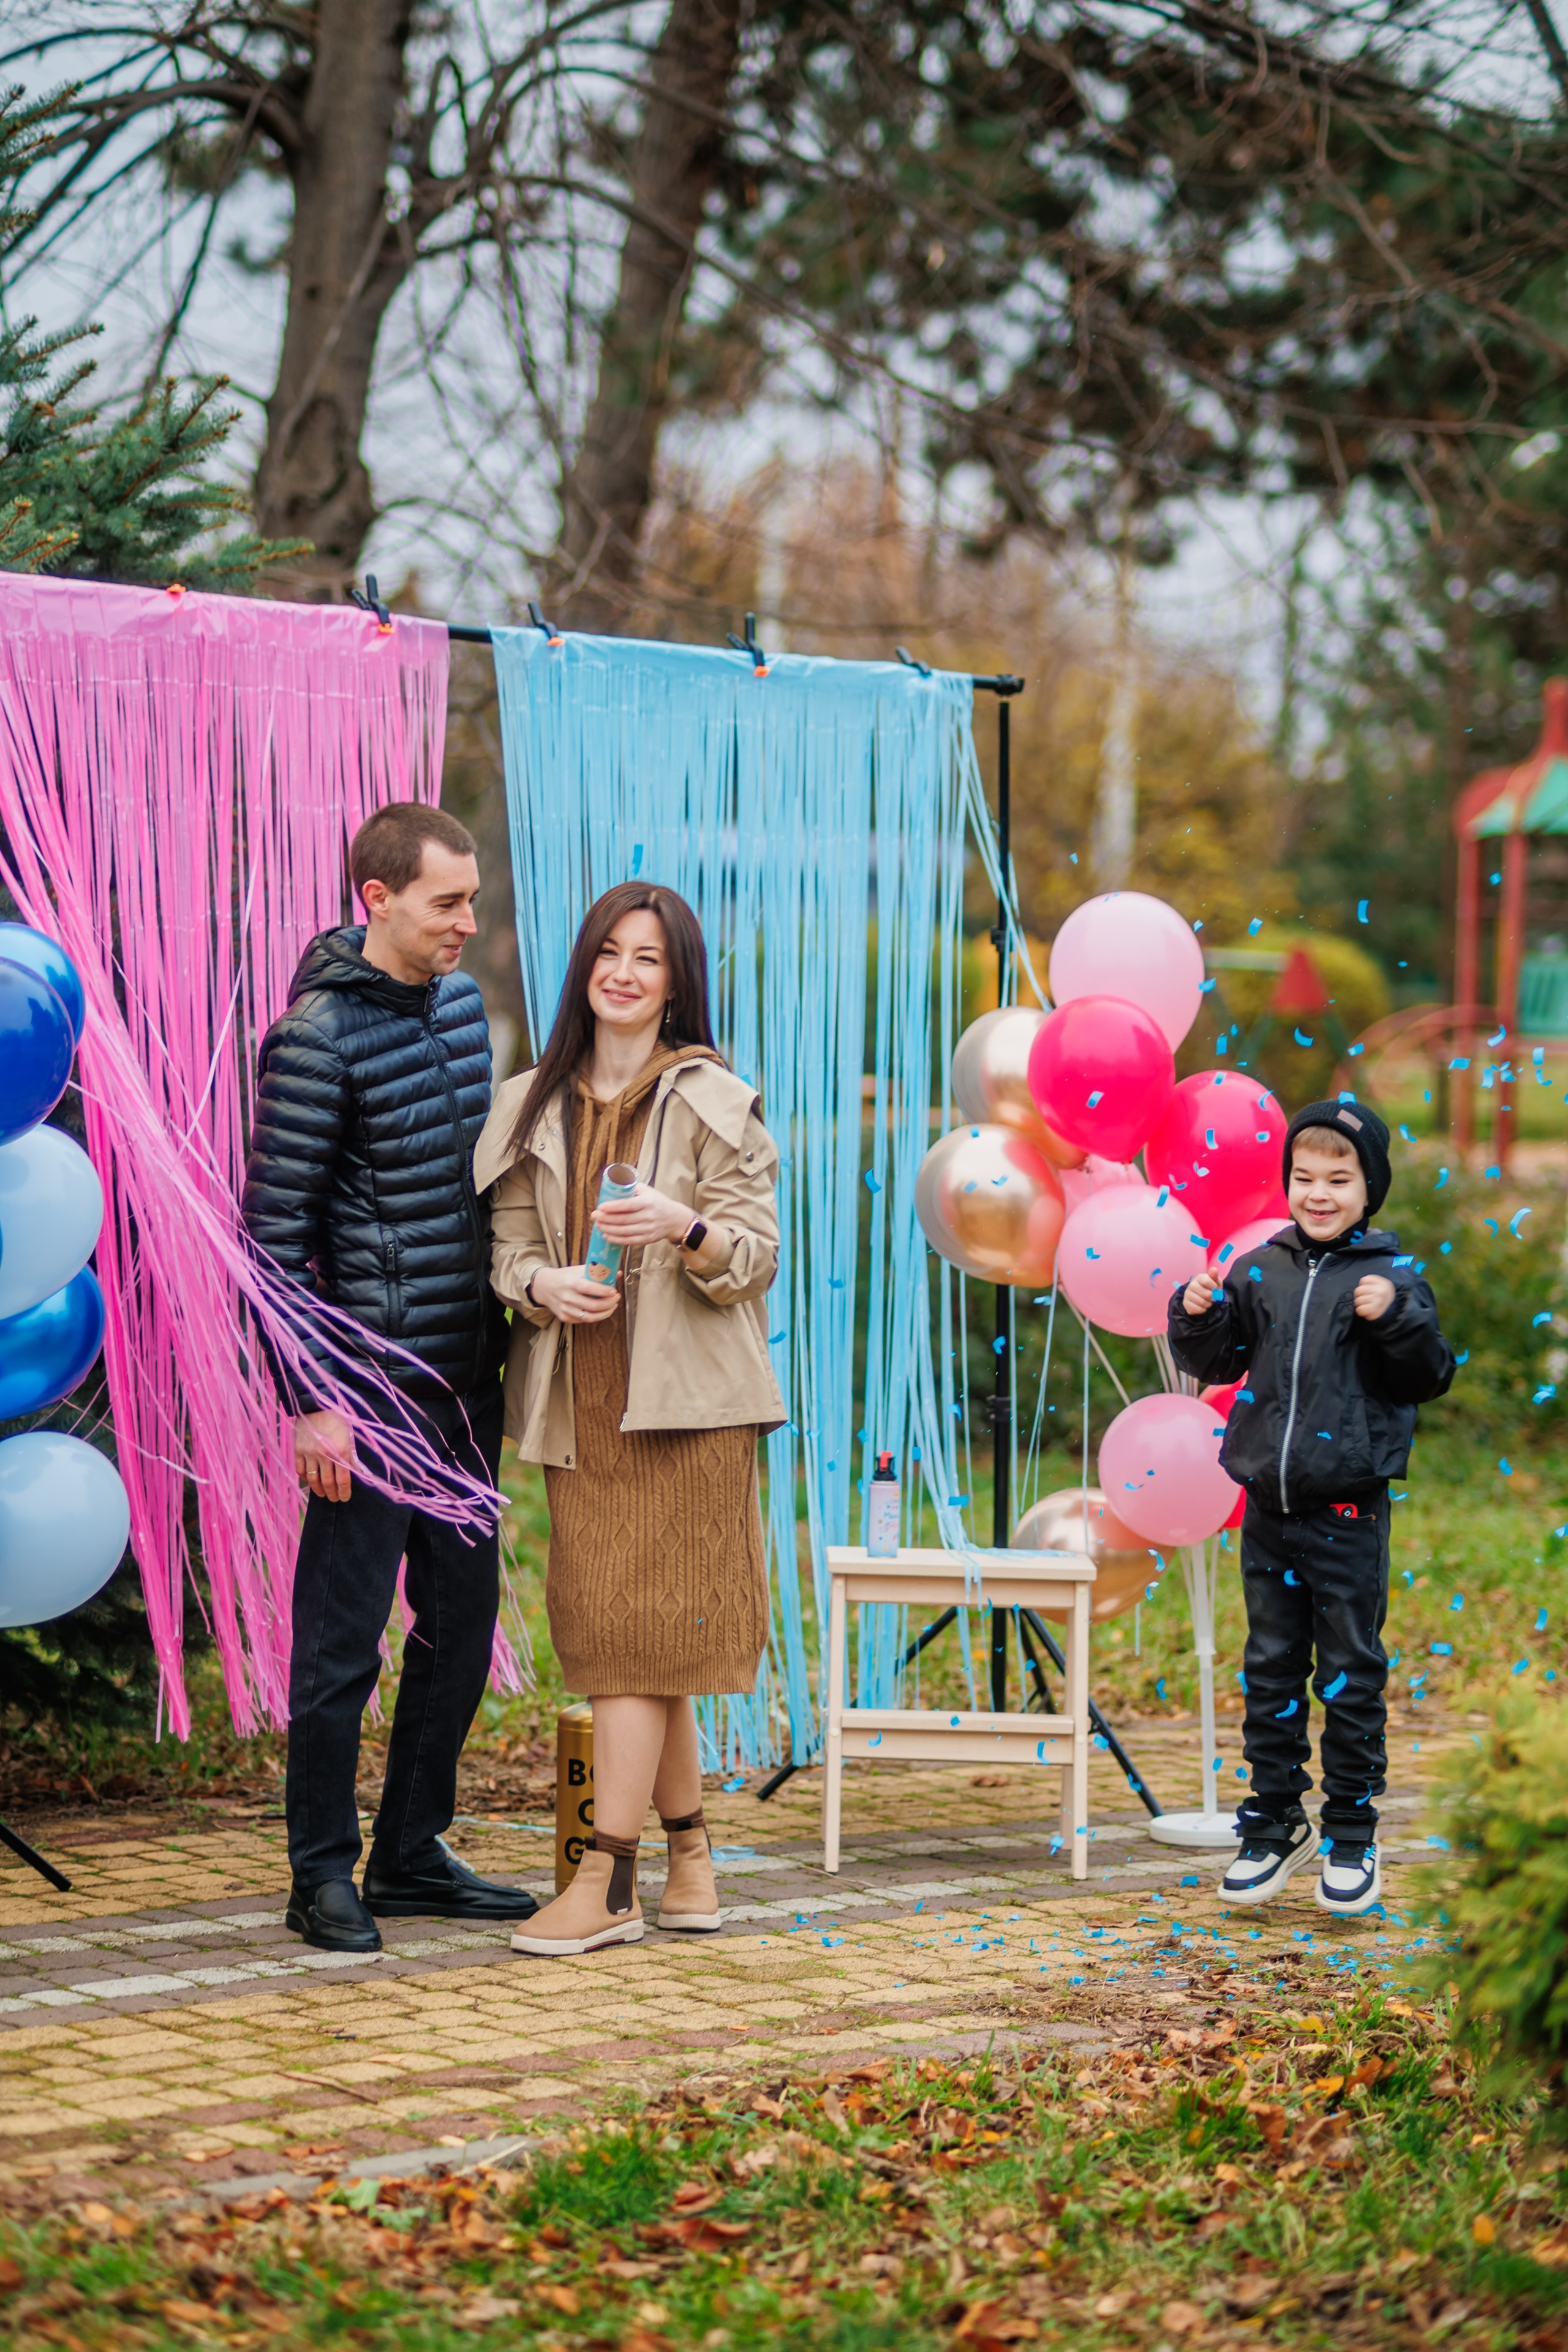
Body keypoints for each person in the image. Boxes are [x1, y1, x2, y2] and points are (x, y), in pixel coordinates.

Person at [241, 802, 537, 1953]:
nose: (468, 921)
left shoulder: (464, 1011)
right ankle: (319, 1874)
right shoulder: (314, 1038)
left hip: (467, 1384)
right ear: (378, 900)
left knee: (459, 1634)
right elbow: (271, 1240)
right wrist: (310, 1399)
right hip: (362, 1400)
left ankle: (411, 1853)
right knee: (341, 1646)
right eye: (446, 903)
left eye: (470, 898)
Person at [474, 881, 785, 1958]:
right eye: (609, 952)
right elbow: (505, 1249)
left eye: (648, 958)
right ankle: (691, 1864)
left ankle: (605, 1885)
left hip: (690, 1413)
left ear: (675, 980)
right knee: (633, 1645)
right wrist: (538, 1288)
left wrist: (684, 1226)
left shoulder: (715, 1100)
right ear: (584, 968)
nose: (624, 973)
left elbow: (754, 1262)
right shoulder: (528, 1103)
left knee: (633, 1650)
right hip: (584, 1404)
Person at [1167, 1098, 1455, 1917]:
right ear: (1286, 1181)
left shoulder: (1392, 1279)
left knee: (1350, 1674)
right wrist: (1196, 1318)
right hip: (1267, 1507)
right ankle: (1272, 1828)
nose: (1318, 1192)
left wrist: (1395, 1319)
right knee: (1271, 1671)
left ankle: (1353, 1839)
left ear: (1371, 1190)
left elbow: (1429, 1373)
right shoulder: (1262, 1266)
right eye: (1304, 1177)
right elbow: (1221, 1357)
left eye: (1339, 1178)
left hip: (1346, 1515)